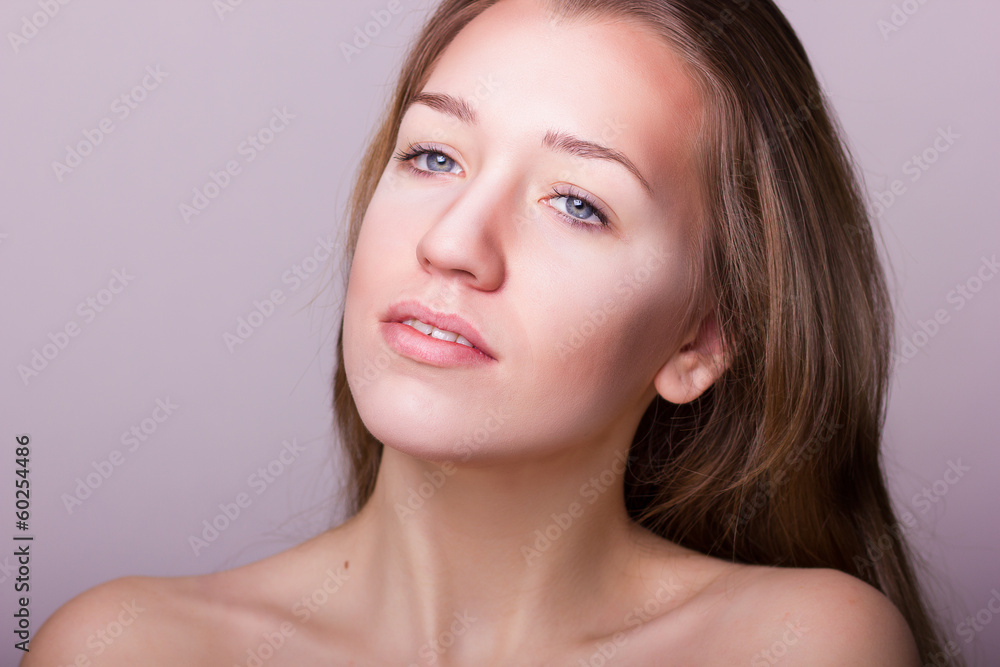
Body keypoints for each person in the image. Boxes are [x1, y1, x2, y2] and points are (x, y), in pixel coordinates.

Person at [24, 0, 959, 664]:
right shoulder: (121, 648)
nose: (452, 242)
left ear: (700, 340)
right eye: (434, 154)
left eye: (579, 204)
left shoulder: (799, 647)